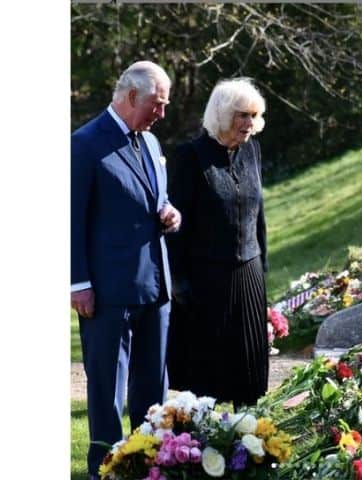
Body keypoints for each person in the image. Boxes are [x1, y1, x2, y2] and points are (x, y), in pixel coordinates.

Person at [71, 60, 181, 480]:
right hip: (106, 289)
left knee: (153, 387)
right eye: (159, 103)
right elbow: (70, 220)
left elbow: (158, 199)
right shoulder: (84, 144)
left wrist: (171, 213)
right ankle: (106, 466)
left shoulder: (151, 144)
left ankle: (150, 462)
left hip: (155, 285)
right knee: (106, 389)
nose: (162, 112)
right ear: (132, 96)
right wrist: (77, 283)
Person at [166, 78, 269, 407]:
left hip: (248, 274)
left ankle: (251, 441)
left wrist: (262, 268)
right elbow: (176, 227)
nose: (249, 123)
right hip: (206, 280)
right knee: (206, 376)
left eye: (254, 115)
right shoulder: (191, 157)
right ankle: (204, 447)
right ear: (222, 114)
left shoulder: (252, 149)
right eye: (242, 115)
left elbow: (258, 214)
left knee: (248, 371)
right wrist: (178, 282)